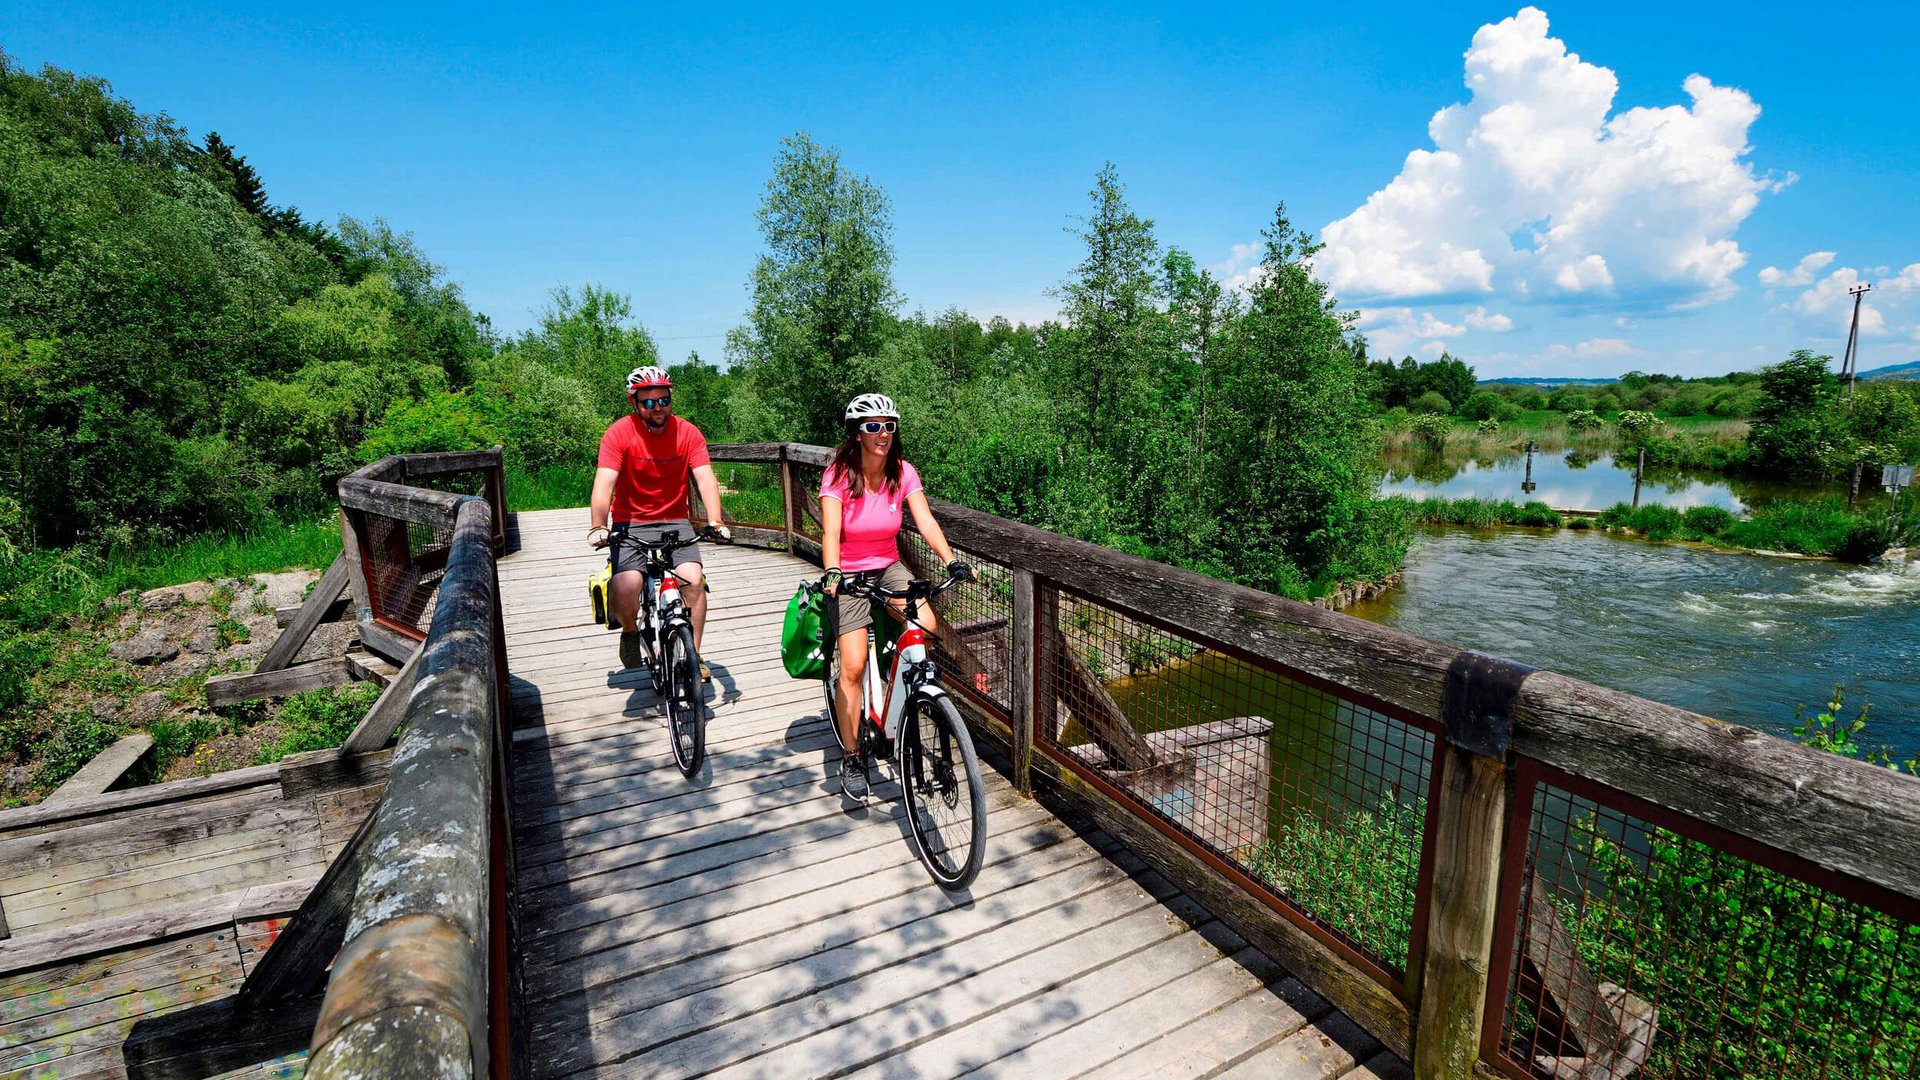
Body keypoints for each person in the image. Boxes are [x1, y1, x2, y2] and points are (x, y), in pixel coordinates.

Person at [820, 393, 972, 797]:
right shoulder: (838, 474)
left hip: (888, 565)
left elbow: (926, 521)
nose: (883, 433)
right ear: (857, 434)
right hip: (848, 571)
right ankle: (852, 757)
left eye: (889, 425)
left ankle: (900, 693)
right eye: (873, 427)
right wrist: (833, 571)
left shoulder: (902, 471)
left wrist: (951, 561)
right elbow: (830, 531)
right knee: (852, 666)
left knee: (926, 625)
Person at [588, 366, 730, 676]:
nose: (658, 408)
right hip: (630, 521)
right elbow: (604, 482)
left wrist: (715, 519)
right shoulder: (619, 433)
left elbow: (705, 478)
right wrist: (599, 525)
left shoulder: (688, 433)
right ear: (634, 403)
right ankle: (629, 630)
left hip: (674, 519)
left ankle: (693, 656)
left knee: (693, 581)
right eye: (649, 402)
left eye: (664, 400)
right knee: (627, 584)